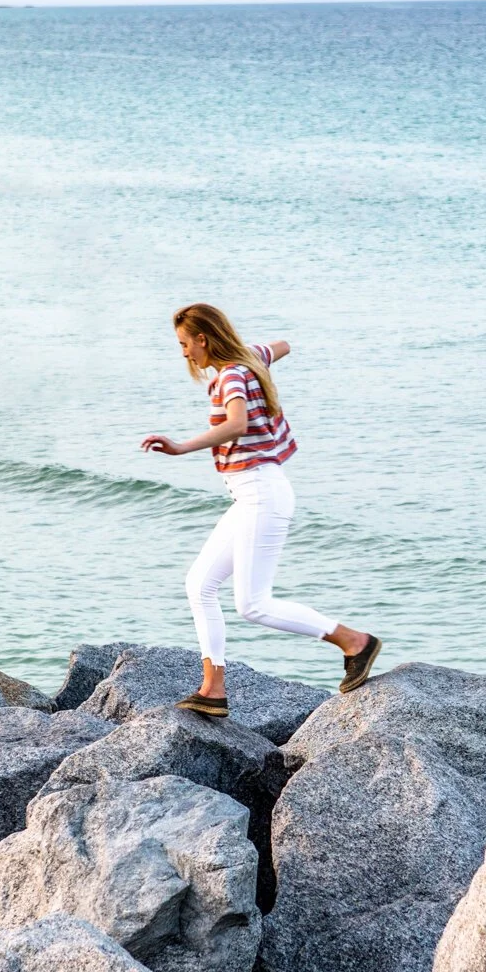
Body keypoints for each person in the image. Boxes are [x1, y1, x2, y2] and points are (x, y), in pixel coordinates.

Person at [141, 303, 380, 717]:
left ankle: (353, 641)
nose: (183, 354)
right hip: (253, 494)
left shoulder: (232, 374)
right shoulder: (248, 358)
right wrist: (270, 351)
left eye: (184, 344)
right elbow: (281, 346)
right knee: (199, 584)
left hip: (261, 493)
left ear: (203, 338)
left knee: (253, 605)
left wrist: (181, 447)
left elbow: (237, 424)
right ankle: (213, 688)